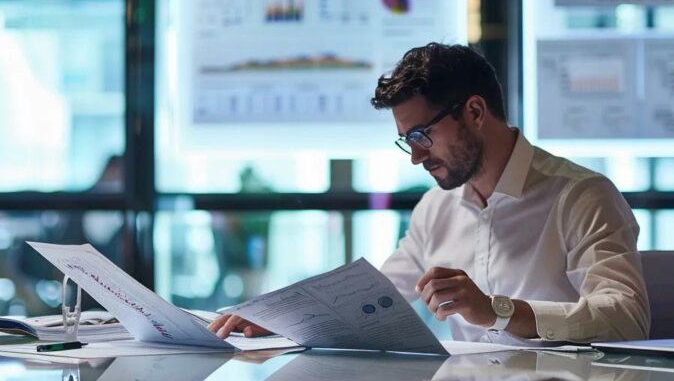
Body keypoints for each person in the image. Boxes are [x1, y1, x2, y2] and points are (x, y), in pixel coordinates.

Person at [210, 43, 649, 343]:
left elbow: (626, 317)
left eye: (422, 135)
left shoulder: (581, 196)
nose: (416, 157)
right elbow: (373, 296)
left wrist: (497, 311)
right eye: (408, 141)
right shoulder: (436, 207)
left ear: (474, 111)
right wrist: (281, 318)